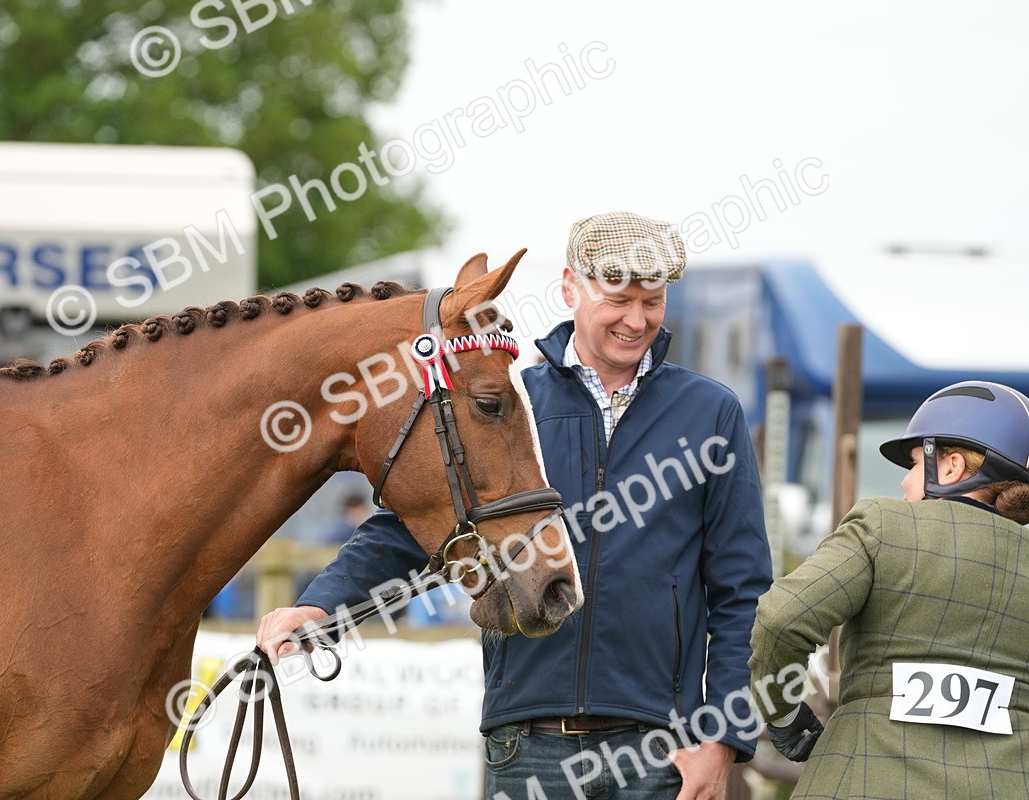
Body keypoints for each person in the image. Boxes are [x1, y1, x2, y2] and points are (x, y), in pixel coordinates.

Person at [258, 211, 773, 799]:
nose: (637, 320)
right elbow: (408, 529)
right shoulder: (510, 401)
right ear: (569, 289)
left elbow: (742, 591)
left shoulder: (711, 413)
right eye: (618, 300)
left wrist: (723, 738)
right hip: (527, 740)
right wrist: (321, 607)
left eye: (651, 301)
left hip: (662, 747)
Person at [750, 380, 1029, 798]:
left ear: (951, 467)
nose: (904, 483)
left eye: (915, 465)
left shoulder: (884, 524)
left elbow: (780, 620)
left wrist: (783, 711)